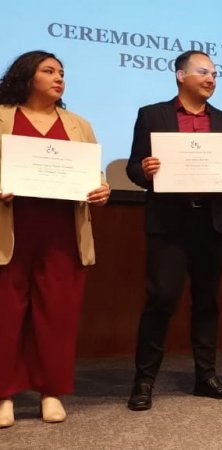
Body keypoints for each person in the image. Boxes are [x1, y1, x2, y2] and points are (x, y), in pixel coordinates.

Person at [125, 50, 222, 411]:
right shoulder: (153, 115)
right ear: (181, 75)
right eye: (203, 72)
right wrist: (144, 169)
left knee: (207, 301)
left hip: (212, 221)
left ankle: (205, 378)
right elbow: (133, 167)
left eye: (214, 73)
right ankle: (144, 381)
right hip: (170, 223)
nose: (211, 78)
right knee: (161, 299)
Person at [0, 50, 110, 427]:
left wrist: (101, 188)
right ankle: (4, 395)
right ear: (27, 76)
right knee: (6, 313)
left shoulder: (79, 124)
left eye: (62, 72)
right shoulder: (1, 117)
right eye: (49, 71)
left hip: (63, 232)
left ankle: (51, 391)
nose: (59, 77)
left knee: (57, 314)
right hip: (11, 230)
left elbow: (94, 175)